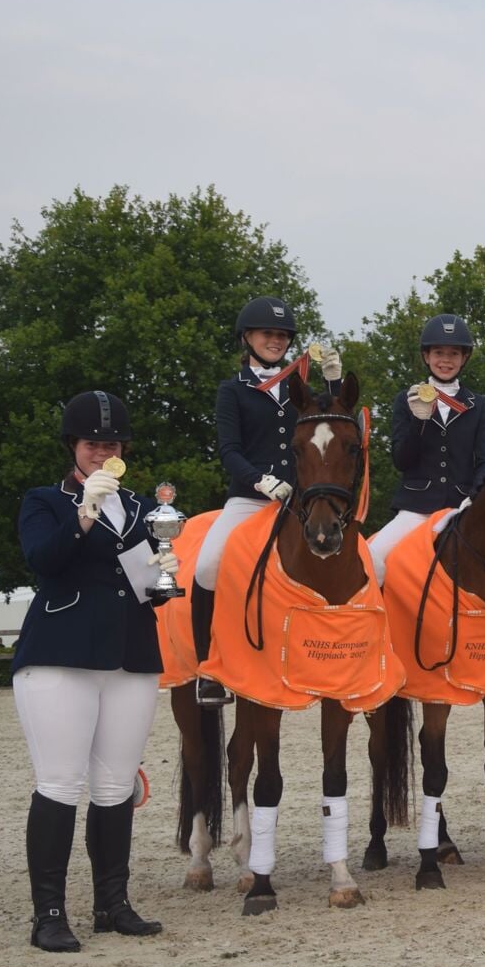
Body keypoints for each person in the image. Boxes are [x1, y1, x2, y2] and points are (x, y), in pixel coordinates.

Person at [13, 391, 173, 952]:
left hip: (131, 655)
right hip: (62, 653)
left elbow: (148, 591)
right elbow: (43, 561)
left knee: (113, 787)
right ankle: (49, 913)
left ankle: (113, 903)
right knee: (60, 782)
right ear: (74, 448)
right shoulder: (44, 500)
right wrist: (83, 512)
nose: (102, 453)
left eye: (111, 445)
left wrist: (163, 573)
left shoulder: (142, 508)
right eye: (92, 444)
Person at [188, 297, 342, 706]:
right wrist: (260, 481)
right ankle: (209, 669)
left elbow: (330, 424)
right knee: (207, 565)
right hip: (250, 499)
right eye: (267, 334)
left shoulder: (299, 388)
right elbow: (229, 450)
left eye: (281, 335)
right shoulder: (232, 390)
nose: (275, 341)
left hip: (300, 502)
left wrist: (333, 385)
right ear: (248, 338)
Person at [367, 314, 485, 584]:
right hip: (416, 508)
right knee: (371, 557)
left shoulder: (478, 405)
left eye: (453, 353)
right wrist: (419, 422)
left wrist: (475, 497)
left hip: (461, 507)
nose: (446, 360)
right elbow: (401, 461)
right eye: (438, 352)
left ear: (464, 358)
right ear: (426, 356)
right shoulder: (406, 399)